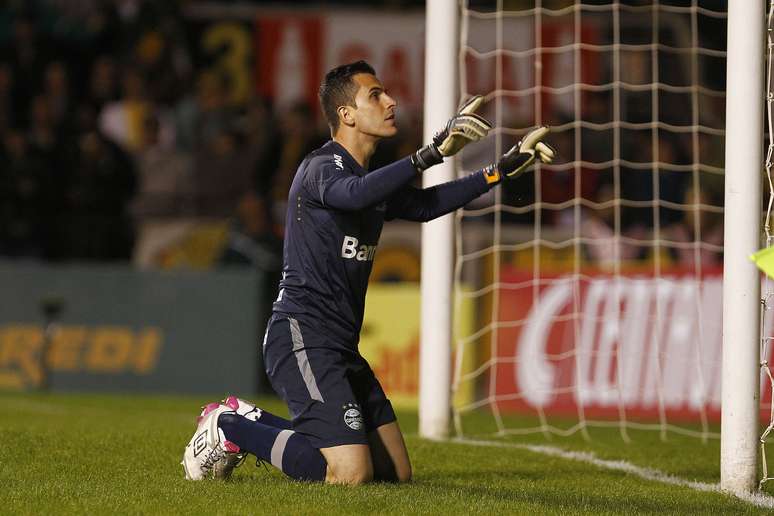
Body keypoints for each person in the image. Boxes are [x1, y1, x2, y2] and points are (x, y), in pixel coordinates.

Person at [181, 60, 555, 484]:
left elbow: (425, 206)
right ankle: (230, 428)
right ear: (347, 114)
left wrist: (498, 171)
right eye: (375, 95)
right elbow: (354, 195)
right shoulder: (321, 168)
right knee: (349, 473)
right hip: (301, 338)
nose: (390, 101)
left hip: (341, 346)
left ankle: (248, 417)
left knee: (394, 473)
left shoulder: (369, 181)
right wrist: (429, 153)